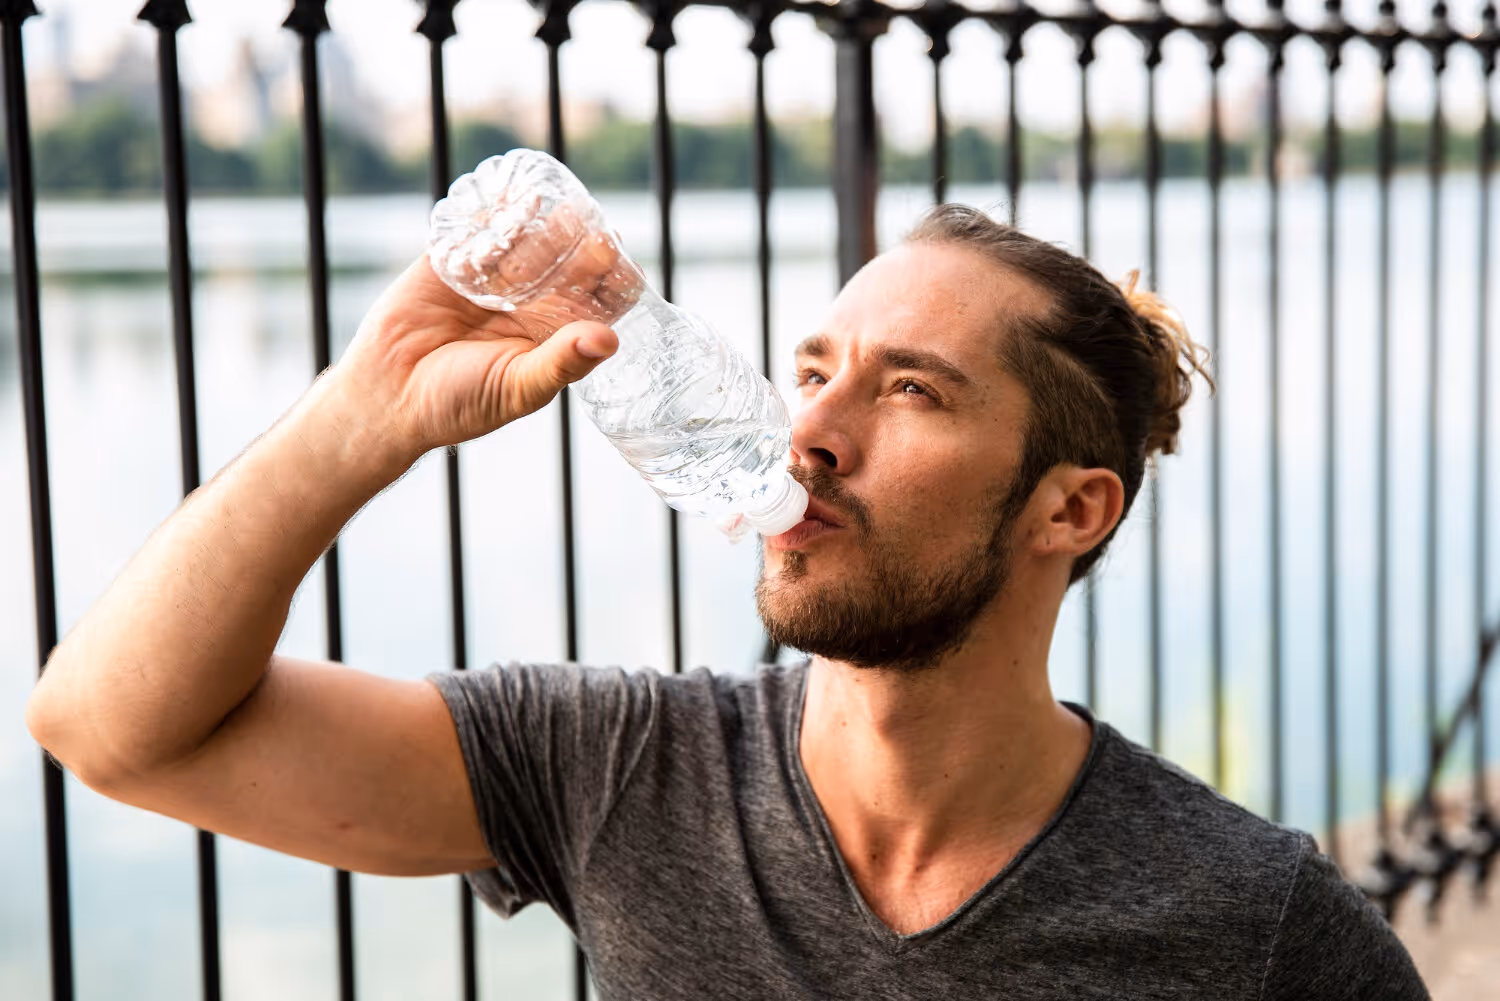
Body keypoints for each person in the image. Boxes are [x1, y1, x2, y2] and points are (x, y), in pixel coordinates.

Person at [26, 204, 1427, 999]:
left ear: (1072, 509)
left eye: (910, 390)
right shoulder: (617, 768)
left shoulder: (1256, 927)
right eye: (813, 371)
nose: (807, 430)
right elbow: (112, 730)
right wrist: (361, 416)